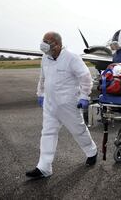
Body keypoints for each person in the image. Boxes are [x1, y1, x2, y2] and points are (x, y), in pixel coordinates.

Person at [26, 32, 97, 179]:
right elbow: (42, 77)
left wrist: (84, 96)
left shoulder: (71, 58)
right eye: (43, 40)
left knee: (78, 131)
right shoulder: (45, 58)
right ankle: (44, 168)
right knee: (47, 133)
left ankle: (92, 152)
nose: (43, 43)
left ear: (57, 44)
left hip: (68, 104)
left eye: (47, 41)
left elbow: (85, 78)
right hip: (50, 104)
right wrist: (40, 93)